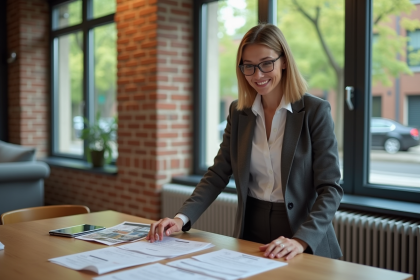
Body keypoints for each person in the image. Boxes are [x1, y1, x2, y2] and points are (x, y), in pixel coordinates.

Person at [146, 23, 343, 260]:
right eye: (248, 66)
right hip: (251, 233)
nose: (257, 75)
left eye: (266, 63)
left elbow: (330, 188)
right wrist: (180, 219)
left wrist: (300, 241)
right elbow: (218, 173)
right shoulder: (239, 113)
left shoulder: (314, 111)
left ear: (283, 61)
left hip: (304, 237)